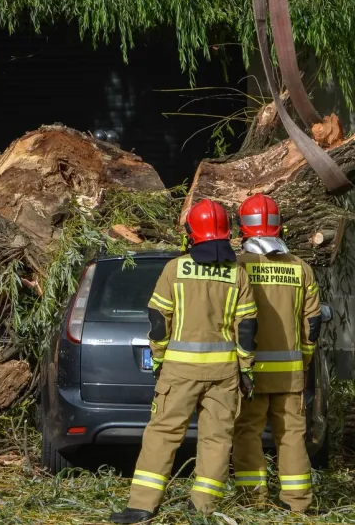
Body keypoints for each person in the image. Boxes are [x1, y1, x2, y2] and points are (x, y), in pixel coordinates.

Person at [111, 200, 256, 523]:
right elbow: (246, 328)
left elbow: (158, 319)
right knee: (217, 439)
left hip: (179, 371)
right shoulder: (238, 274)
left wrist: (159, 359)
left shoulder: (175, 269)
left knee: (163, 434)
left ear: (191, 235)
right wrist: (246, 370)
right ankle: (202, 509)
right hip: (224, 372)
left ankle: (142, 507)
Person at [230, 193, 321, 513]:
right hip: (290, 372)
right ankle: (298, 503)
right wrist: (305, 360)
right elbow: (313, 322)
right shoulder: (301, 269)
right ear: (279, 227)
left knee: (247, 433)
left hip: (249, 372)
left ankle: (253, 501)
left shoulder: (237, 267)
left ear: (243, 228)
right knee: (292, 435)